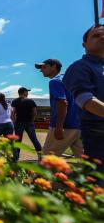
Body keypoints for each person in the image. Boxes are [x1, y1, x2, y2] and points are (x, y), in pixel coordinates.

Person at [63, 25, 104, 172]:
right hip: (98, 131)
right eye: (96, 35)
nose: (102, 37)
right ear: (84, 45)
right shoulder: (80, 67)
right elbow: (85, 99)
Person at [35, 59, 83, 157]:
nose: (41, 70)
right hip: (80, 126)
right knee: (89, 162)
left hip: (65, 126)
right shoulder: (71, 80)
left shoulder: (55, 81)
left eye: (44, 67)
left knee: (47, 160)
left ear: (54, 67)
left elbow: (62, 102)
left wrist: (59, 127)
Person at [11, 87, 42, 161]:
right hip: (29, 122)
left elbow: (13, 113)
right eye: (27, 92)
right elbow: (34, 112)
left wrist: (14, 122)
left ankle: (16, 157)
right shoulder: (30, 101)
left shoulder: (15, 101)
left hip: (19, 122)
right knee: (34, 139)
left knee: (18, 141)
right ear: (23, 92)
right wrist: (32, 120)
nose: (28, 93)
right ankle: (40, 156)